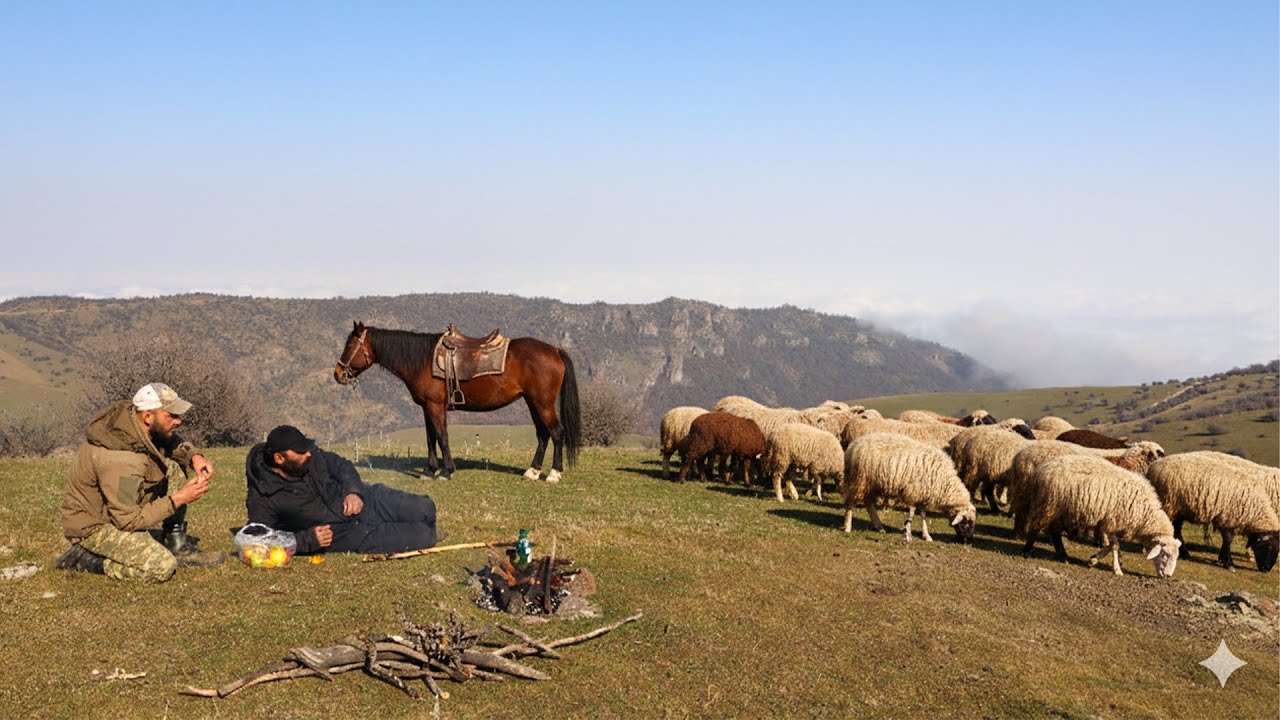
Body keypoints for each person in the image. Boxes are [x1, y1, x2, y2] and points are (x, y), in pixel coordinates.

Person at [57, 382, 224, 581]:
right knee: (161, 567)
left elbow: (168, 439)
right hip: (95, 526)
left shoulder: (133, 423)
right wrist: (177, 499)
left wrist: (193, 457)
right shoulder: (122, 461)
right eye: (172, 415)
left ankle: (175, 544)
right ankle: (86, 559)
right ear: (147, 417)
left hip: (116, 510)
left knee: (172, 466)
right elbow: (127, 520)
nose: (179, 421)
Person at [244, 425, 441, 555]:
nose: (308, 453)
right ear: (279, 458)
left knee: (426, 508)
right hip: (353, 534)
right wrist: (305, 541)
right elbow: (258, 541)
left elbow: (341, 465)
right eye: (300, 451)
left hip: (371, 499)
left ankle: (419, 522)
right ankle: (424, 532)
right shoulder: (263, 496)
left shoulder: (311, 458)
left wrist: (353, 491)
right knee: (425, 536)